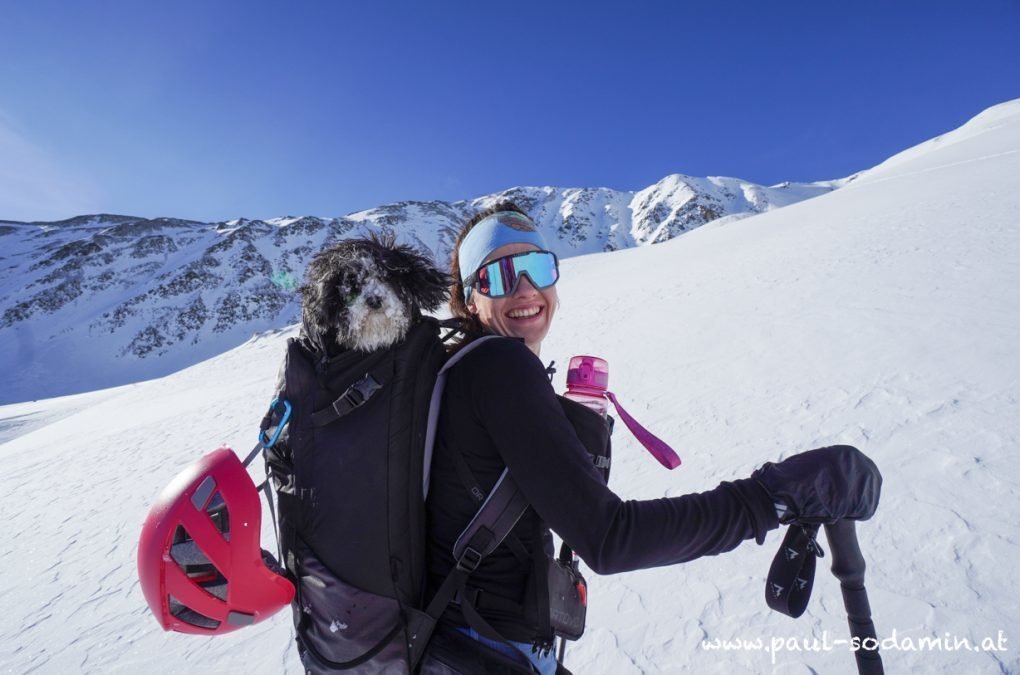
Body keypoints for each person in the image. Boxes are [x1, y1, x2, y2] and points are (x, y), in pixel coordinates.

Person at [422, 202, 881, 674]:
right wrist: (772, 498)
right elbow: (609, 539)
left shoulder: (467, 371)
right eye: (498, 276)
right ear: (469, 299)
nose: (526, 288)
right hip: (482, 650)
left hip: (469, 644)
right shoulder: (500, 368)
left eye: (538, 267)